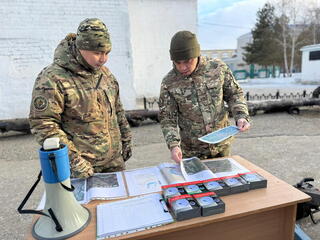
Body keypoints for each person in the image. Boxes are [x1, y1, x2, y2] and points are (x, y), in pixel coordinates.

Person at [29, 18, 132, 178]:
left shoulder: (105, 75)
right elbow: (43, 124)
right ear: (80, 47)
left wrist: (126, 140)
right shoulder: (53, 78)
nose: (103, 58)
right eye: (97, 53)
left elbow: (117, 109)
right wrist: (75, 162)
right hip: (81, 170)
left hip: (114, 164)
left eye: (106, 53)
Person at [159, 30, 250, 163]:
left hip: (222, 146)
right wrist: (173, 145)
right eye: (178, 63)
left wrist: (241, 116)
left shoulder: (218, 68)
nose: (183, 67)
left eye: (187, 61)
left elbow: (234, 94)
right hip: (192, 152)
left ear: (197, 54)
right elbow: (167, 118)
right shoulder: (169, 82)